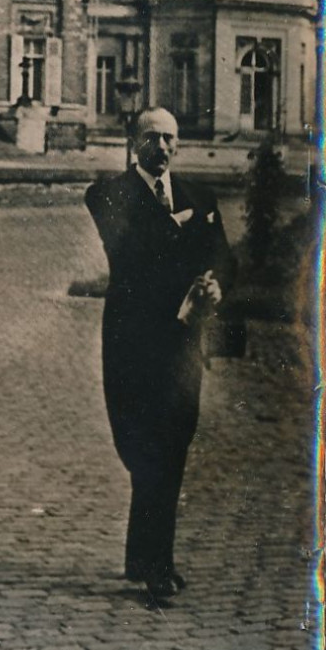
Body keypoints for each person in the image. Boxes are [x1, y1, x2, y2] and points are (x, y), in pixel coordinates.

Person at [84, 107, 233, 602]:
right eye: (152, 138)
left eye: (170, 139)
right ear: (133, 142)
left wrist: (216, 284)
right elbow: (134, 255)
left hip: (184, 345)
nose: (163, 148)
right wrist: (187, 235)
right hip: (134, 343)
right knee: (143, 448)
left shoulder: (198, 195)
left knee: (171, 445)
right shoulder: (109, 194)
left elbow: (222, 256)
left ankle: (149, 559)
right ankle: (151, 560)